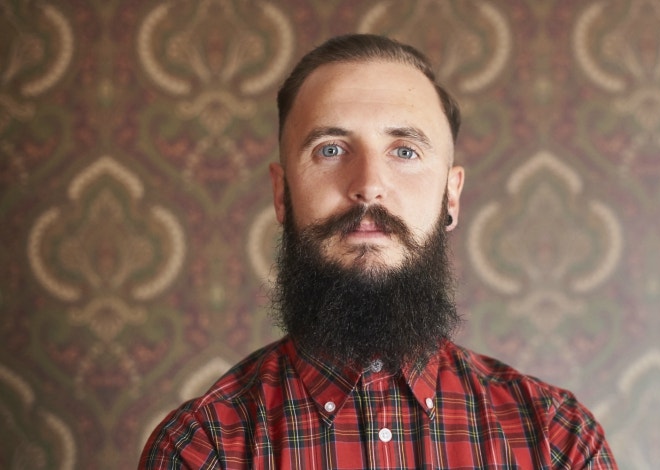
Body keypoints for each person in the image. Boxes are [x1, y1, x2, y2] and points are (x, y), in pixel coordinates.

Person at [140, 33, 616, 469]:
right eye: (330, 149)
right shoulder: (203, 448)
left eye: (404, 151)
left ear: (451, 196)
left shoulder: (557, 441)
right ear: (281, 194)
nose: (368, 186)